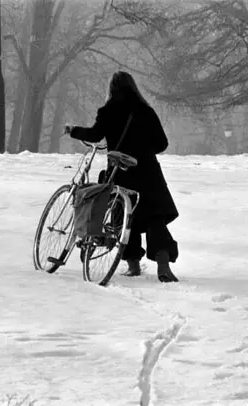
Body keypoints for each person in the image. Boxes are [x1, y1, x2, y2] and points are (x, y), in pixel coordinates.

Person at [64, 71, 179, 283]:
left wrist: (74, 130)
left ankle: (133, 265)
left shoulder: (108, 111)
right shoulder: (145, 110)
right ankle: (163, 265)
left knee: (126, 217)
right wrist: (143, 151)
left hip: (120, 172)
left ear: (111, 89)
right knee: (155, 218)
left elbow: (95, 135)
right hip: (148, 172)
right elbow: (162, 143)